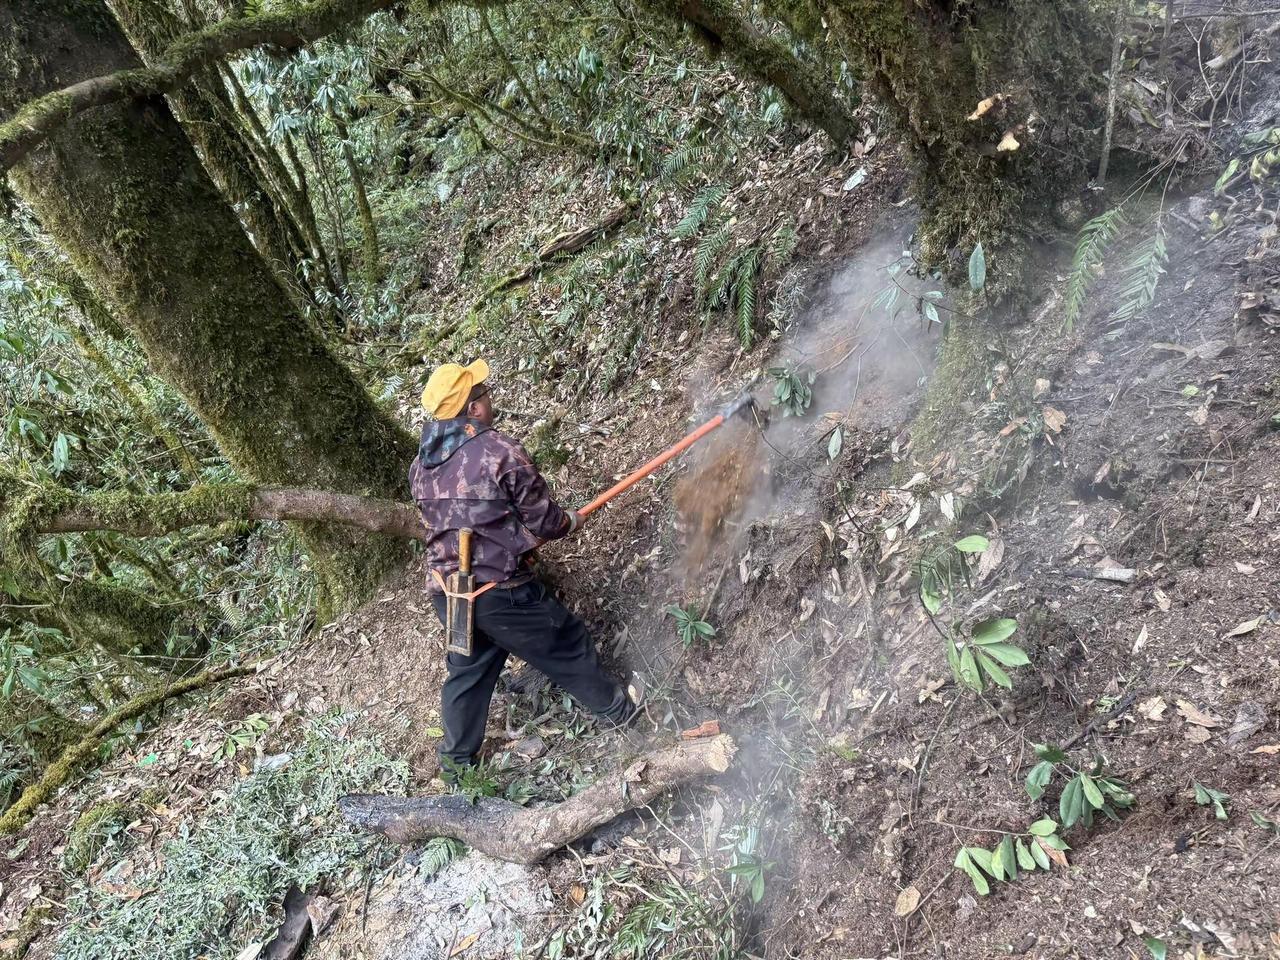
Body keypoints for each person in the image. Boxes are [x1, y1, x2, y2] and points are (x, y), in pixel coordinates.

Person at [409, 359, 640, 776]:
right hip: (499, 594)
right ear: (473, 408)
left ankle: (457, 766)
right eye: (484, 393)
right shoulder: (498, 451)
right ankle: (623, 716)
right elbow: (546, 522)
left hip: (448, 593)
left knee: (468, 671)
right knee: (566, 642)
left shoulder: (420, 467)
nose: (490, 398)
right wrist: (569, 521)